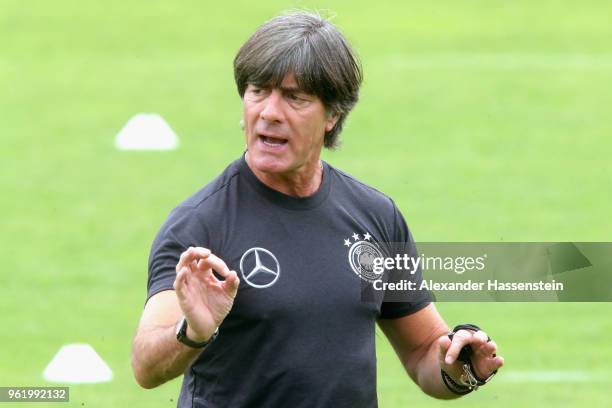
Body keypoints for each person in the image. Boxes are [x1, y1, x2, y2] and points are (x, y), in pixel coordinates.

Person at [131, 10, 504, 407]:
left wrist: (461, 367)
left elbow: (422, 352)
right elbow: (145, 365)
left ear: (333, 114)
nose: (269, 112)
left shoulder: (374, 216)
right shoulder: (201, 225)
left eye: (294, 97)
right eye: (258, 91)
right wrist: (193, 332)